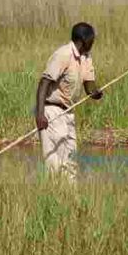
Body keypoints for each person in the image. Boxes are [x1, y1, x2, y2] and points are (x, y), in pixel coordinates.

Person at [35, 22, 103, 180]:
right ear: (83, 39)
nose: (93, 42)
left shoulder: (86, 57)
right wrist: (40, 114)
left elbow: (89, 85)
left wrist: (96, 93)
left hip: (68, 113)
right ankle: (53, 194)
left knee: (70, 159)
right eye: (92, 39)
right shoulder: (63, 54)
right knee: (54, 161)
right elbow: (43, 83)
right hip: (52, 111)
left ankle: (69, 197)